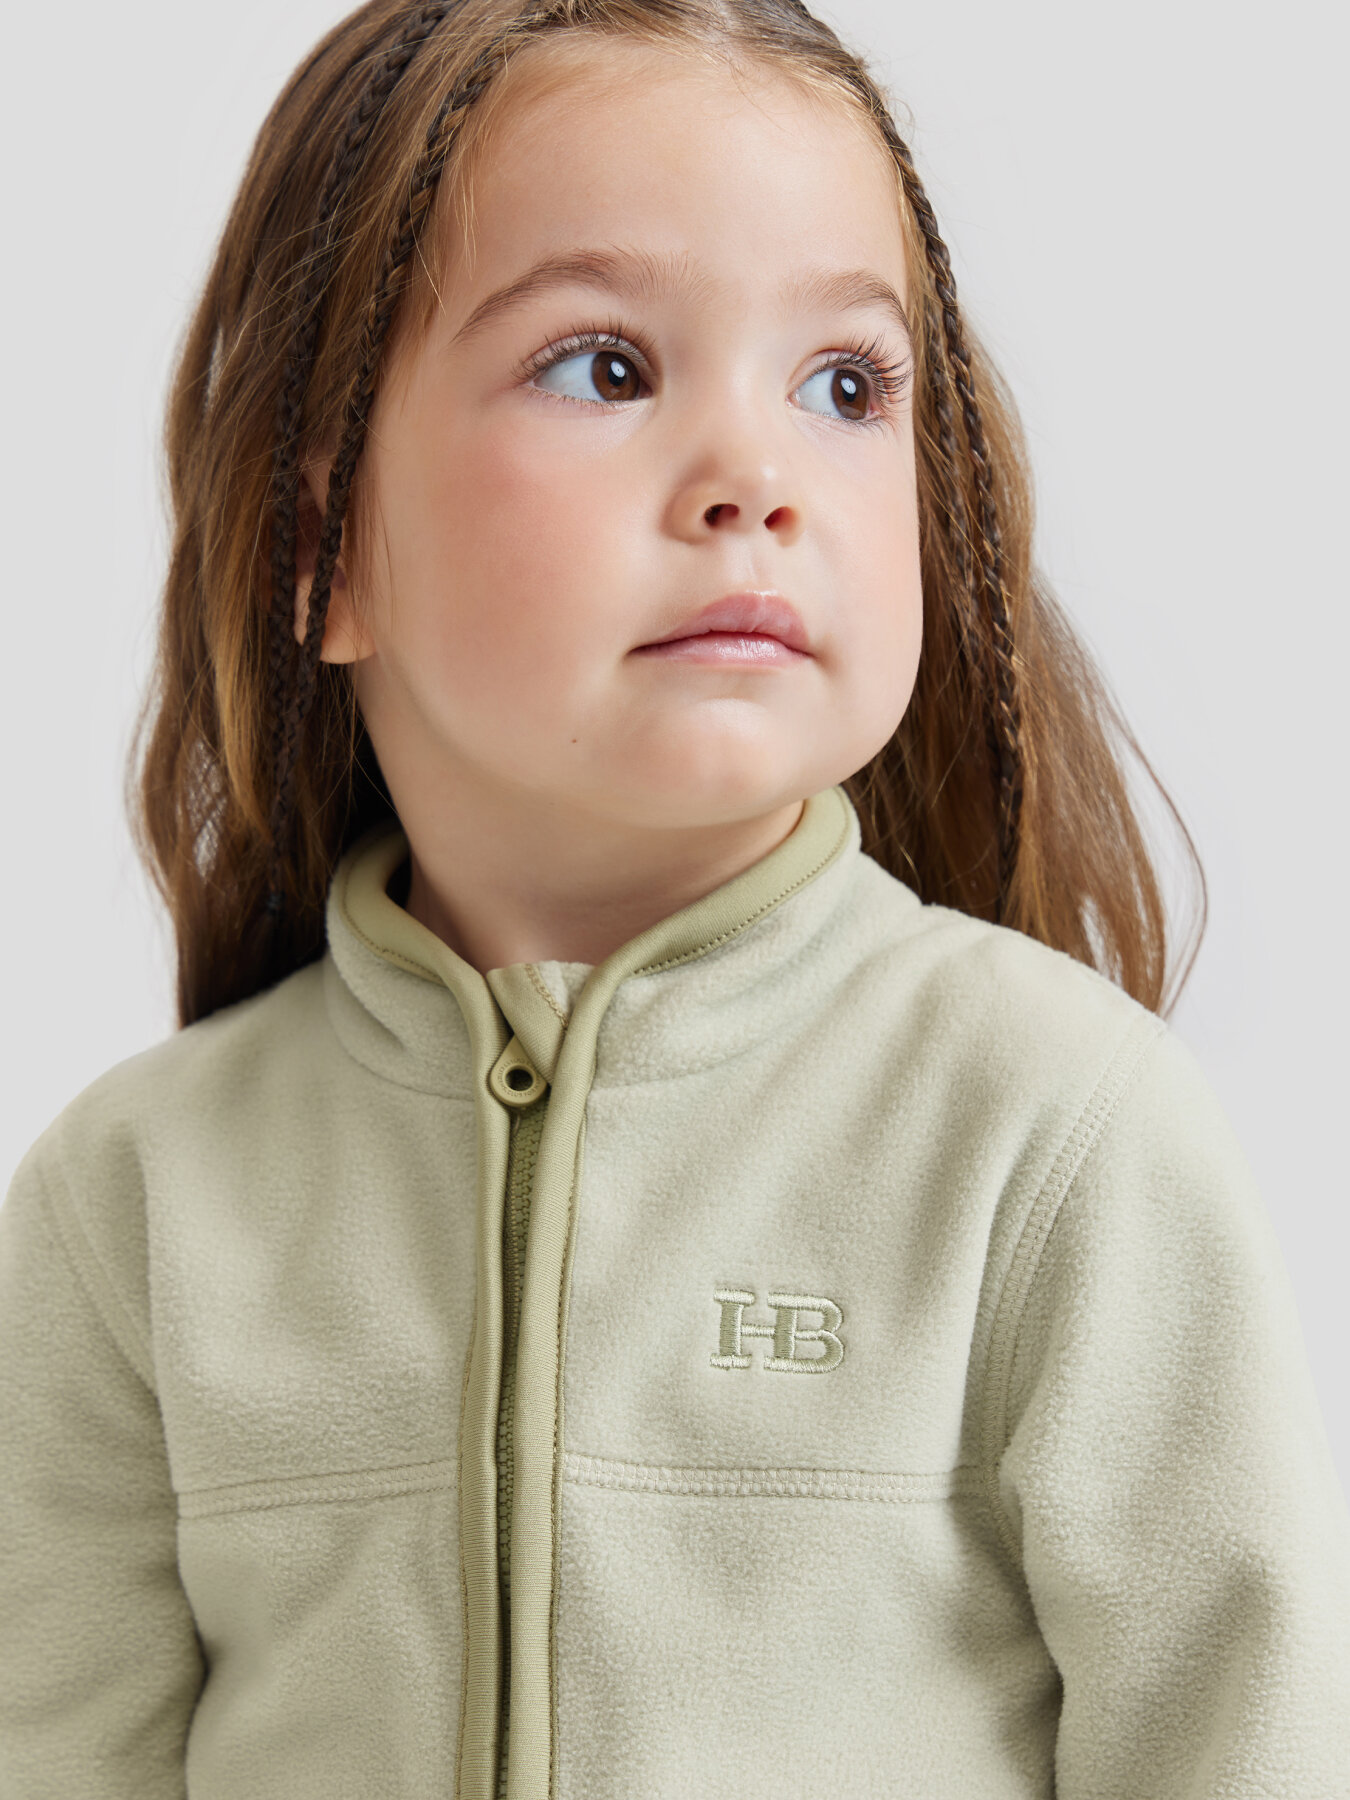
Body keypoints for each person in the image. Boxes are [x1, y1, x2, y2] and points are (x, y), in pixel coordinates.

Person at [2, 0, 1347, 1793]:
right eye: (605, 367)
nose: (755, 480)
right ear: (321, 551)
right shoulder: (132, 1205)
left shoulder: (1053, 1134)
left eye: (844, 386)